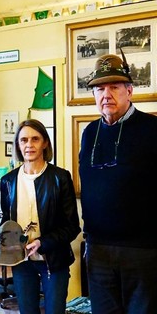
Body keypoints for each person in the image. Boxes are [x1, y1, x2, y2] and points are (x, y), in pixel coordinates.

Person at [79, 52, 157, 314]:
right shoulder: (89, 133)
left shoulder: (151, 129)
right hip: (98, 249)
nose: (106, 95)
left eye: (114, 87)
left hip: (143, 251)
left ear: (130, 91)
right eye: (100, 89)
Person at [0, 119, 80, 314]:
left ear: (45, 142)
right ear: (18, 145)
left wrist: (42, 243)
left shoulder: (60, 178)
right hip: (22, 263)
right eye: (24, 140)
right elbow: (6, 221)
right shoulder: (8, 181)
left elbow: (72, 226)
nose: (29, 145)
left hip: (53, 261)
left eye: (35, 139)